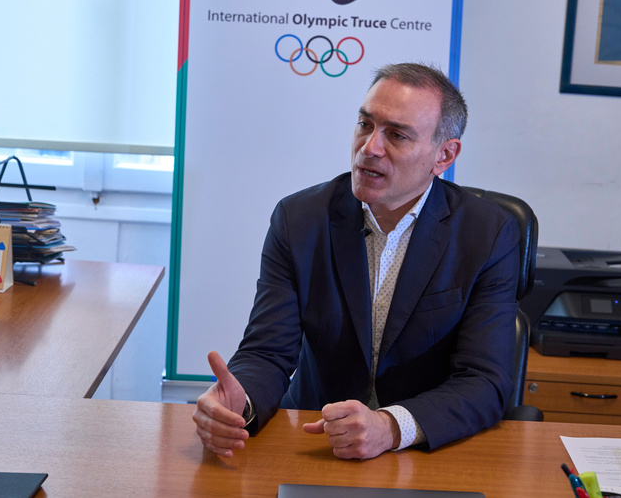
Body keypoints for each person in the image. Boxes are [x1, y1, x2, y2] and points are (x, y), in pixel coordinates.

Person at [192, 62, 520, 460]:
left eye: (396, 135)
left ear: (444, 155)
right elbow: (267, 352)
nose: (370, 148)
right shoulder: (299, 220)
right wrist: (238, 403)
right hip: (315, 440)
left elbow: (485, 380)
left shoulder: (487, 234)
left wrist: (391, 426)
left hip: (424, 451)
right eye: (365, 125)